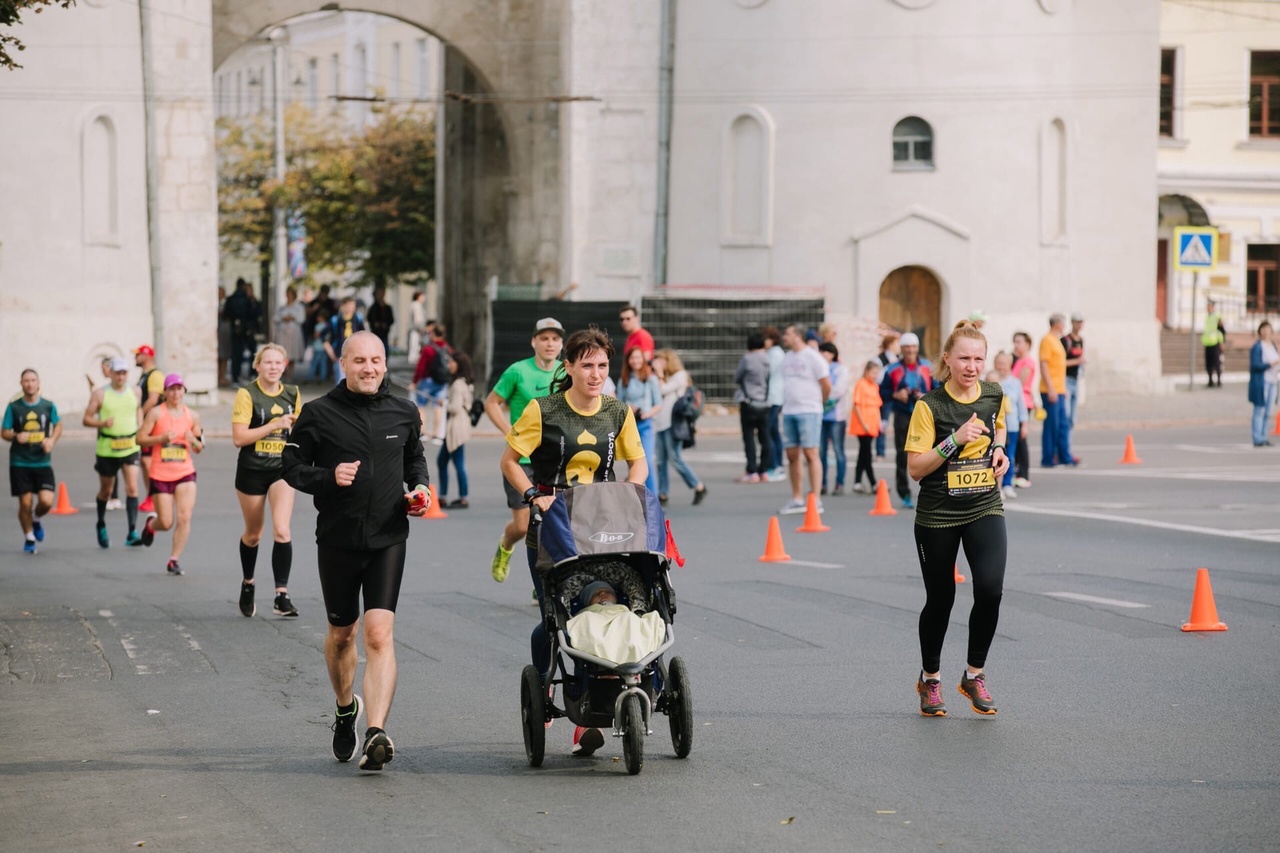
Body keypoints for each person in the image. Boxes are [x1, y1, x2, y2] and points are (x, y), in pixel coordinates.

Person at [283, 331, 431, 772]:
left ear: (386, 364)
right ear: (343, 364)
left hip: (389, 537)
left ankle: (377, 732)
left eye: (377, 360)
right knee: (342, 635)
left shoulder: (404, 411)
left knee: (379, 634)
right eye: (360, 360)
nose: (370, 368)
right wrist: (329, 477)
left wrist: (420, 488)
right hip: (338, 539)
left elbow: (414, 460)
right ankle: (346, 707)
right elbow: (289, 466)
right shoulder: (318, 414)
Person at [499, 326, 647, 756]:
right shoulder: (542, 410)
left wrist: (629, 493)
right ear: (569, 367)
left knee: (606, 606)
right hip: (554, 530)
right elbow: (509, 461)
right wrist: (533, 496)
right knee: (558, 617)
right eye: (587, 365)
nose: (596, 373)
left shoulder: (618, 411)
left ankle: (603, 705)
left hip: (606, 528)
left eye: (602, 365)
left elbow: (638, 464)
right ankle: (550, 694)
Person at [905, 320, 1010, 717]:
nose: (972, 366)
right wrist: (954, 440)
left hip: (984, 504)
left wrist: (1000, 450)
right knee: (941, 599)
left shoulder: (994, 394)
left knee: (990, 590)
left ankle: (973, 674)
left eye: (978, 358)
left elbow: (999, 426)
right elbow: (916, 468)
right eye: (964, 358)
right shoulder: (929, 406)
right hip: (937, 515)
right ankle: (930, 680)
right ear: (946, 359)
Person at [485, 317, 564, 583]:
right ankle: (506, 544)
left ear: (562, 344)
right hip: (521, 459)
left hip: (553, 459)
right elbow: (492, 403)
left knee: (551, 524)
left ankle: (542, 581)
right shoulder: (517, 371)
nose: (549, 343)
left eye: (555, 339)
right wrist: (508, 431)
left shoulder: (567, 371)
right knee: (523, 525)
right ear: (534, 342)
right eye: (544, 338)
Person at [231, 344, 302, 618]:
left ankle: (281, 596)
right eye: (267, 362)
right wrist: (274, 425)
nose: (273, 367)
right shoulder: (247, 394)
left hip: (281, 470)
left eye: (277, 363)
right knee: (253, 534)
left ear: (284, 366)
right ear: (257, 366)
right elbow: (239, 438)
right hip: (252, 470)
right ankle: (248, 583)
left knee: (282, 530)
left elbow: (299, 432)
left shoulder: (293, 394)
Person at [136, 374, 205, 576]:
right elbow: (139, 439)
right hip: (161, 473)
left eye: (179, 389)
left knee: (184, 517)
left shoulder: (193, 416)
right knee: (166, 522)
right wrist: (161, 438)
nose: (176, 393)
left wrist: (194, 441)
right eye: (172, 389)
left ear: (184, 391)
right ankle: (151, 525)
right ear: (165, 392)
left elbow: (200, 447)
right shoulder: (156, 414)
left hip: (185, 472)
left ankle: (174, 559)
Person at [83, 357, 144, 548]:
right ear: (110, 373)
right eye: (118, 372)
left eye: (124, 373)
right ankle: (101, 523)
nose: (121, 376)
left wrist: (141, 427)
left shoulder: (135, 391)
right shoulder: (100, 394)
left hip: (130, 445)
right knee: (106, 491)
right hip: (108, 447)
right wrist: (102, 423)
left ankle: (132, 531)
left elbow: (138, 410)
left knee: (132, 488)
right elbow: (86, 419)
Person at [3, 369, 61, 554]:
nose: (29, 384)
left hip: (42, 462)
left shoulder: (47, 406)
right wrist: (15, 436)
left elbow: (58, 424)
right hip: (20, 462)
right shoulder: (14, 407)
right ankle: (29, 538)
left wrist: (51, 440)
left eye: (33, 380)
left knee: (46, 502)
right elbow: (4, 431)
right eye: (26, 381)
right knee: (25, 503)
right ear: (21, 384)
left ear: (38, 382)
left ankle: (36, 519)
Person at [777, 324, 832, 514]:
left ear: (798, 336)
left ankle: (815, 499)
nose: (784, 336)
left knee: (811, 453)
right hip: (790, 410)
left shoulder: (813, 357)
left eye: (788, 333)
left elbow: (826, 384)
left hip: (809, 410)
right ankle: (797, 498)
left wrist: (820, 403)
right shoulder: (787, 357)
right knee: (792, 455)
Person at [881, 332, 935, 509]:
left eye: (913, 347)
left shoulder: (928, 367)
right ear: (902, 349)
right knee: (902, 454)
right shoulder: (892, 369)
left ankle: (931, 491)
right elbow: (883, 392)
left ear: (917, 348)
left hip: (925, 416)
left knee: (931, 453)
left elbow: (939, 390)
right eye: (907, 347)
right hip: (902, 414)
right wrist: (896, 394)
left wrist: (924, 396)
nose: (910, 350)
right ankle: (904, 493)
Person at [650, 349, 707, 505]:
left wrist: (660, 373)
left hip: (673, 423)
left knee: (675, 458)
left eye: (661, 361)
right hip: (659, 423)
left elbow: (663, 389)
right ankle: (663, 494)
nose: (658, 364)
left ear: (669, 361)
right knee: (660, 461)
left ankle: (698, 486)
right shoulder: (660, 377)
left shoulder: (679, 376)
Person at [619, 346, 662, 498]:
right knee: (633, 466)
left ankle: (653, 501)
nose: (635, 361)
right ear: (628, 360)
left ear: (643, 359)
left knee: (647, 462)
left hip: (646, 424)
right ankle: (635, 500)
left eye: (638, 357)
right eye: (632, 358)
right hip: (630, 425)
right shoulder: (624, 379)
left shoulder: (650, 379)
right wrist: (628, 408)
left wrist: (646, 413)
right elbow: (619, 402)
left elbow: (658, 404)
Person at [733, 332, 773, 483]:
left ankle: (752, 471)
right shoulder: (767, 359)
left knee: (749, 437)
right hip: (764, 401)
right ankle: (764, 470)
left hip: (748, 402)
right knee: (765, 438)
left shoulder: (747, 358)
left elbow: (737, 377)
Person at [1038, 314, 1076, 468]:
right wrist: (1051, 388)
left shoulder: (1057, 340)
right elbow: (1044, 365)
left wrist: (1063, 388)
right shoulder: (1047, 340)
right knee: (1051, 425)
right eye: (1063, 323)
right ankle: (1048, 458)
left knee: (1063, 425)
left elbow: (1059, 366)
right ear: (1058, 324)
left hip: (1059, 389)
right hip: (1050, 390)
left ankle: (1064, 456)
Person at [438, 351, 475, 509]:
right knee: (444, 461)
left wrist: (443, 403)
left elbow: (454, 407)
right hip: (460, 426)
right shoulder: (464, 382)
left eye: (451, 362)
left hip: (456, 427)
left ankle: (461, 496)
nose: (449, 365)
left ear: (458, 365)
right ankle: (445, 496)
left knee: (456, 462)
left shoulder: (458, 384)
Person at [990, 351, 1028, 500]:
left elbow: (1021, 405)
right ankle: (996, 486)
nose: (1001, 367)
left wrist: (1024, 424)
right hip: (995, 427)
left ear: (1010, 365)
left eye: (1004, 364)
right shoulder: (990, 380)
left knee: (1010, 456)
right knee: (995, 456)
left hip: (1011, 426)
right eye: (998, 363)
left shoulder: (1015, 383)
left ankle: (1007, 484)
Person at [818, 342, 851, 496]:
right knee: (820, 452)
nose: (824, 354)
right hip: (819, 416)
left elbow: (838, 390)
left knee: (838, 450)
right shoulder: (818, 369)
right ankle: (821, 483)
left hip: (836, 417)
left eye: (827, 351)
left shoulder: (840, 369)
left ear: (833, 354)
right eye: (822, 351)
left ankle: (839, 483)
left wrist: (822, 397)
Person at [412, 322, 454, 444]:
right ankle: (436, 435)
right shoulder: (448, 348)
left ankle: (424, 432)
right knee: (438, 407)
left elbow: (421, 367)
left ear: (433, 334)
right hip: (442, 381)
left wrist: (415, 382)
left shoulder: (428, 349)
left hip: (427, 380)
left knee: (421, 406)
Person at [134, 344, 164, 513]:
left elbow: (153, 399)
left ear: (147, 356)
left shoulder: (155, 375)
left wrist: (140, 416)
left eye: (138, 354)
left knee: (148, 462)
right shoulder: (144, 375)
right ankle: (151, 495)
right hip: (146, 423)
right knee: (146, 462)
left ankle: (155, 496)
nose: (135, 357)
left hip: (151, 424)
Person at [848, 360, 882, 494]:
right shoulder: (861, 384)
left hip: (872, 424)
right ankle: (873, 483)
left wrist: (878, 423)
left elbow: (877, 406)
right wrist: (864, 424)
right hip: (864, 425)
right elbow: (856, 405)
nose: (874, 375)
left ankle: (857, 482)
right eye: (873, 372)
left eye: (876, 373)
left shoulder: (874, 386)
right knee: (866, 454)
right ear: (866, 371)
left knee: (863, 454)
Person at [1010, 332, 1037, 488]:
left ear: (1027, 344)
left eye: (1019, 342)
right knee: (1015, 439)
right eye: (1015, 342)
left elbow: (1020, 383)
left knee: (1021, 439)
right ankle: (1017, 471)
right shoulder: (1018, 361)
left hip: (1023, 404)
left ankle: (1024, 474)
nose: (1016, 345)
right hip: (1016, 403)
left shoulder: (1027, 362)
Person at [761, 326, 787, 481]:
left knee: (769, 432)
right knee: (774, 432)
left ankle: (775, 465)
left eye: (766, 339)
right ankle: (777, 464)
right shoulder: (774, 353)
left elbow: (767, 372)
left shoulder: (775, 354)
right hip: (775, 396)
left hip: (773, 397)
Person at [1248, 321, 1279, 447]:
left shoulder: (1272, 345)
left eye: (1269, 329)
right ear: (1260, 331)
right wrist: (1270, 364)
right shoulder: (1257, 346)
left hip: (1273, 381)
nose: (1266, 331)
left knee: (1267, 411)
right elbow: (1255, 365)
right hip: (1262, 381)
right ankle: (1257, 438)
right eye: (1264, 329)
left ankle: (1263, 436)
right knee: (1259, 409)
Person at [324, 297, 366, 386]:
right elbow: (325, 339)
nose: (351, 308)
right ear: (342, 306)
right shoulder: (335, 320)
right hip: (340, 353)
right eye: (349, 305)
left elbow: (363, 336)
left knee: (356, 379)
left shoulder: (357, 319)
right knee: (341, 380)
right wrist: (332, 355)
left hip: (356, 353)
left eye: (353, 306)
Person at [225, 278, 260, 383]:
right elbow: (255, 313)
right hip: (248, 329)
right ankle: (252, 373)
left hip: (236, 329)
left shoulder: (231, 299)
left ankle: (235, 376)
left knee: (237, 354)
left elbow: (227, 314)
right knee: (253, 352)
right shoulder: (248, 299)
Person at [274, 286, 307, 382]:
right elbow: (275, 318)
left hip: (294, 333)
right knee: (282, 354)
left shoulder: (299, 307)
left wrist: (292, 317)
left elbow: (301, 319)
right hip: (283, 334)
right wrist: (283, 318)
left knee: (292, 354)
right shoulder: (282, 307)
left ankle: (289, 375)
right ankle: (282, 374)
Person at [876, 333, 901, 459]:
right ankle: (880, 451)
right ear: (890, 344)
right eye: (896, 343)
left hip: (899, 395)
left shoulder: (899, 358)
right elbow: (878, 377)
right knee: (883, 423)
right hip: (886, 394)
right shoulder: (879, 359)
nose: (899, 346)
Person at [1061, 313, 1086, 428]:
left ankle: (1068, 443)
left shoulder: (1080, 340)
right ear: (1072, 323)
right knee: (1066, 414)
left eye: (1081, 322)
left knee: (1073, 418)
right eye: (1077, 322)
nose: (1079, 325)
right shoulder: (1066, 340)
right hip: (1066, 380)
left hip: (1075, 380)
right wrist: (1077, 361)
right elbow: (1060, 363)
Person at [1203, 298, 1226, 388]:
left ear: (1212, 307)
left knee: (1217, 362)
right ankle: (1210, 381)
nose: (1207, 308)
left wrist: (1222, 342)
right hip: (1208, 342)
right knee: (1208, 363)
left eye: (1209, 306)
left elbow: (1222, 330)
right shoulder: (1208, 317)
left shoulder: (1217, 316)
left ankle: (1219, 380)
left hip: (1216, 342)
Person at [366, 287, 395, 355]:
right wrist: (375, 324)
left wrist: (386, 324)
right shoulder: (373, 307)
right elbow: (369, 318)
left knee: (385, 349)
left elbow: (391, 319)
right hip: (375, 331)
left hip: (385, 331)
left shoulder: (387, 307)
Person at [308, 308, 332, 383]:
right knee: (323, 364)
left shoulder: (318, 326)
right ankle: (322, 377)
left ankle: (310, 377)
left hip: (317, 347)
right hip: (325, 347)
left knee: (314, 363)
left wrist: (312, 337)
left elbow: (316, 335)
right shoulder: (328, 325)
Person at [217, 285, 233, 387]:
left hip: (224, 330)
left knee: (224, 355)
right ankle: (218, 376)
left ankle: (222, 376)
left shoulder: (228, 304)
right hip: (217, 331)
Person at [407, 291, 427, 364]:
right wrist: (421, 328)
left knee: (415, 345)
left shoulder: (415, 305)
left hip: (415, 329)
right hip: (416, 329)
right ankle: (413, 360)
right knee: (415, 346)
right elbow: (417, 319)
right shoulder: (416, 305)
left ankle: (414, 359)